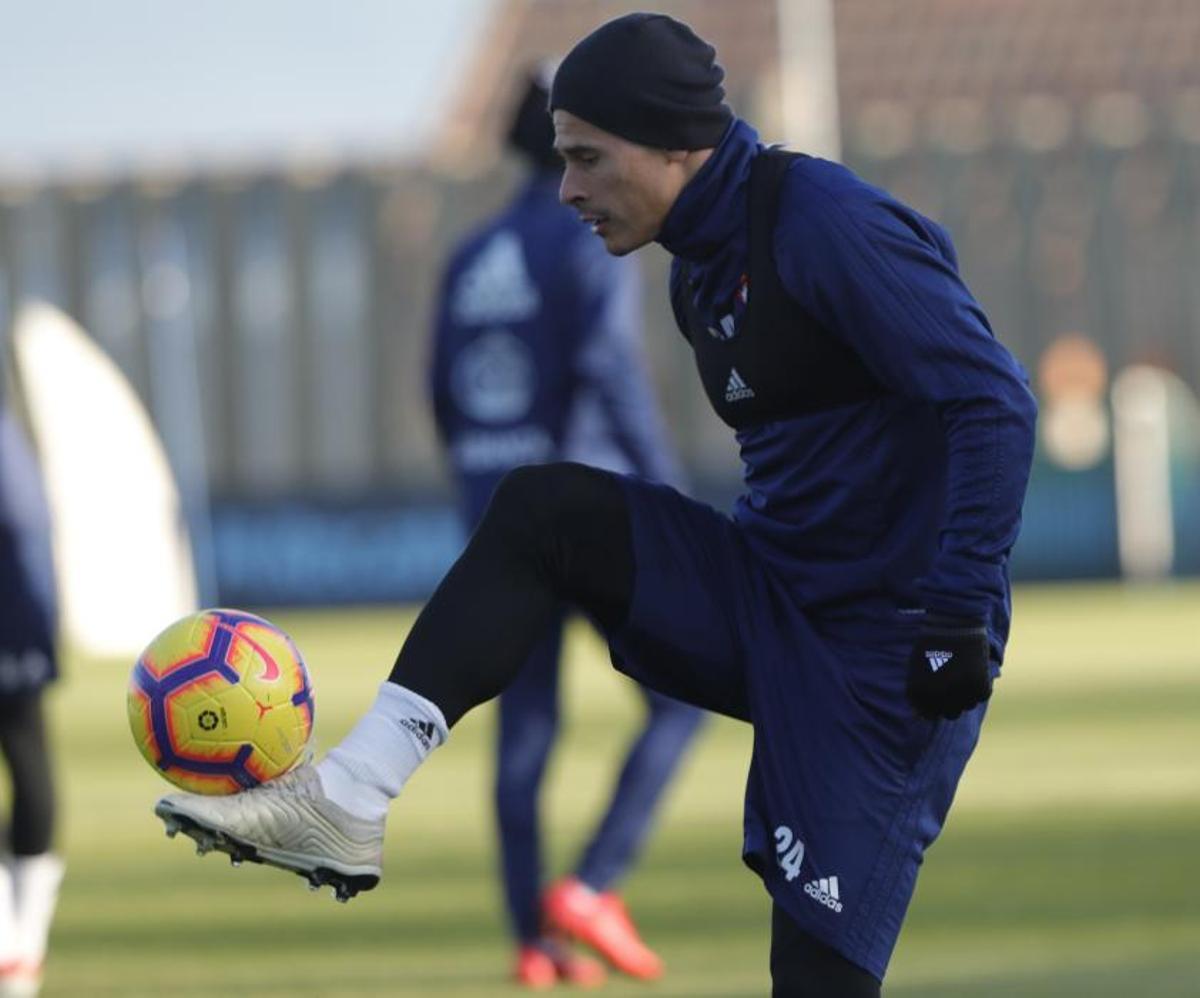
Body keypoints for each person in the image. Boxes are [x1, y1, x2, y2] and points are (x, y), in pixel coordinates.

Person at [155, 13, 1038, 995]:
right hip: (773, 599)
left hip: (889, 658)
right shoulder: (698, 268)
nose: (567, 187)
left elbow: (994, 400)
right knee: (543, 512)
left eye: (587, 158)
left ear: (674, 143)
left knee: (816, 982)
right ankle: (350, 792)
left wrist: (958, 609)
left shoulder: (822, 220)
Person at [426, 68, 704, 987]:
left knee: (526, 734)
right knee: (680, 700)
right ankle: (590, 884)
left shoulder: (471, 255)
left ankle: (530, 941)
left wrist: (482, 486)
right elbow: (610, 367)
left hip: (496, 518)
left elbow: (441, 393)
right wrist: (669, 492)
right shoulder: (585, 238)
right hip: (585, 513)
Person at [0, 403, 64, 998]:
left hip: (15, 606)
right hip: (21, 610)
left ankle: (16, 942)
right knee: (28, 754)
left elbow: (24, 524)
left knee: (27, 754)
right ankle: (19, 944)